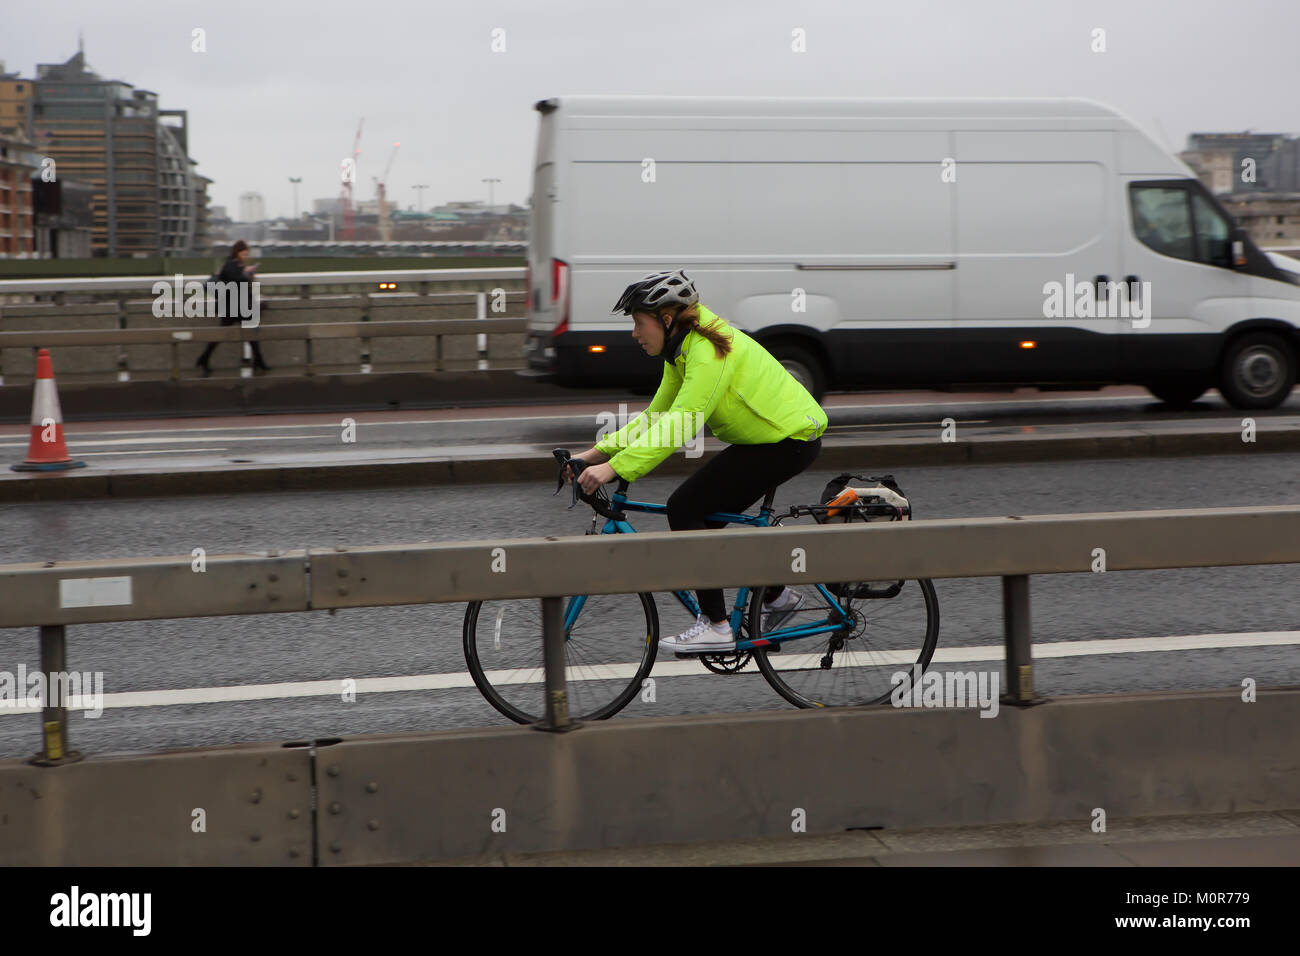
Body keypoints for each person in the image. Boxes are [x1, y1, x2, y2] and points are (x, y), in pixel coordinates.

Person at [566, 270, 828, 654]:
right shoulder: (681, 349)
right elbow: (656, 416)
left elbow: (683, 421)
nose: (635, 334)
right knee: (700, 523)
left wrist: (616, 469)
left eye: (639, 323)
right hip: (765, 440)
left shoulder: (706, 350)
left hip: (787, 441)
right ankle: (776, 596)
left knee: (685, 508)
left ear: (666, 320)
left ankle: (718, 628)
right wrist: (593, 454)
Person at [195, 239, 271, 376]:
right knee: (243, 333)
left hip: (237, 306)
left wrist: (247, 273)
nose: (246, 257)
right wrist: (247, 273)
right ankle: (259, 361)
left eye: (247, 254)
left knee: (246, 333)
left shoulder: (235, 265)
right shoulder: (230, 264)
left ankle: (204, 358)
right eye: (244, 254)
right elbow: (237, 281)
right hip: (232, 307)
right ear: (237, 252)